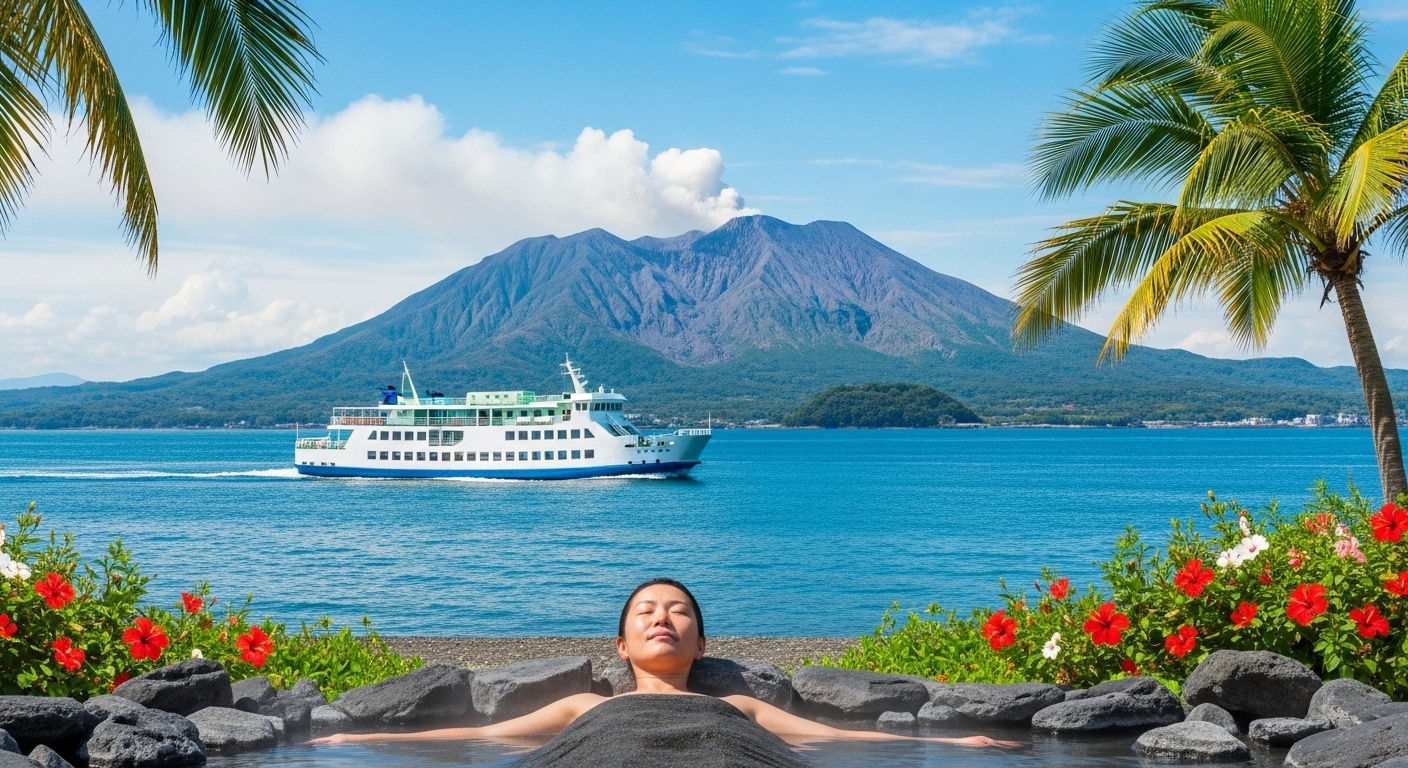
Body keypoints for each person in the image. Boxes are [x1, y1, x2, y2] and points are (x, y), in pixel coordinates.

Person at [311, 579, 1018, 763]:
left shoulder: (739, 705)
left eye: (679, 612)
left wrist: (953, 744)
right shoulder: (582, 705)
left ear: (702, 644)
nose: (661, 619)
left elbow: (828, 738)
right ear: (620, 645)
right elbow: (481, 739)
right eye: (646, 611)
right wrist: (356, 743)